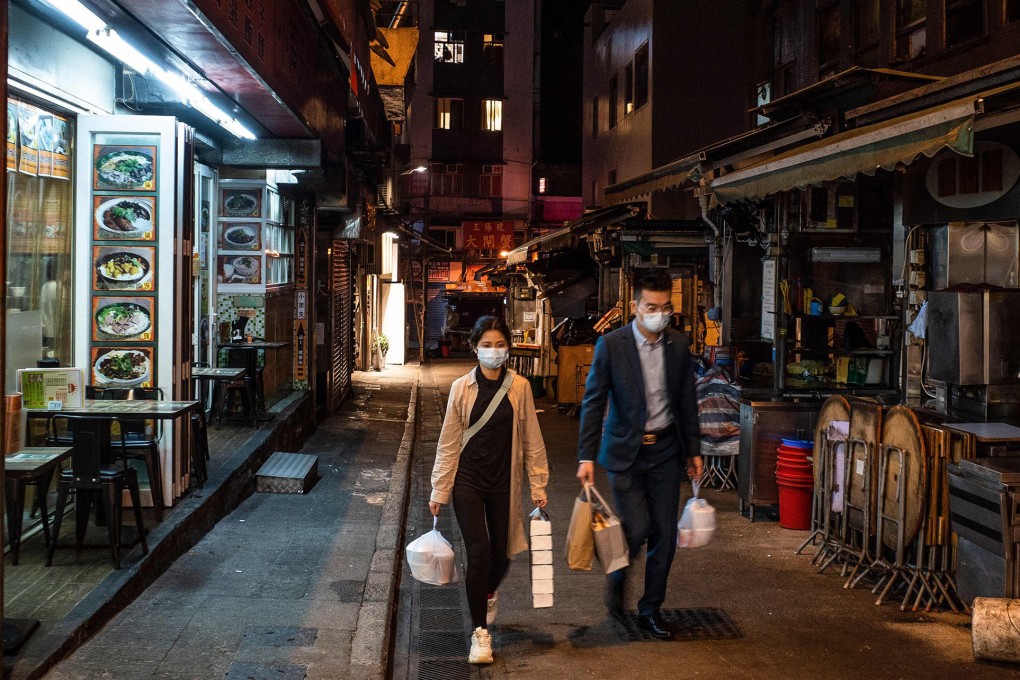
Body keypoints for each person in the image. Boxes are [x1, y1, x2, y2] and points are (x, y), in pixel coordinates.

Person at [576, 268, 704, 641]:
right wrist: (586, 455)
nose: (659, 314)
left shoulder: (678, 345)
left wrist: (693, 451)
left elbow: (685, 401)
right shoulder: (611, 345)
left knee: (664, 533)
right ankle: (616, 588)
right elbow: (593, 401)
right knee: (636, 527)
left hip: (666, 450)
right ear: (634, 306)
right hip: (624, 453)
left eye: (665, 307)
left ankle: (651, 609)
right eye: (651, 306)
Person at [430, 315, 549, 665]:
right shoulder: (461, 389)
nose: (494, 351)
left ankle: (488, 591)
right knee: (479, 552)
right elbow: (449, 442)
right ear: (475, 348)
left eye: (500, 345)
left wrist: (538, 484)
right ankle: (480, 633)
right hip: (468, 481)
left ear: (508, 349)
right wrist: (440, 489)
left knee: (504, 554)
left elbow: (532, 440)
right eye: (487, 345)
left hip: (504, 482)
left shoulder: (521, 388)